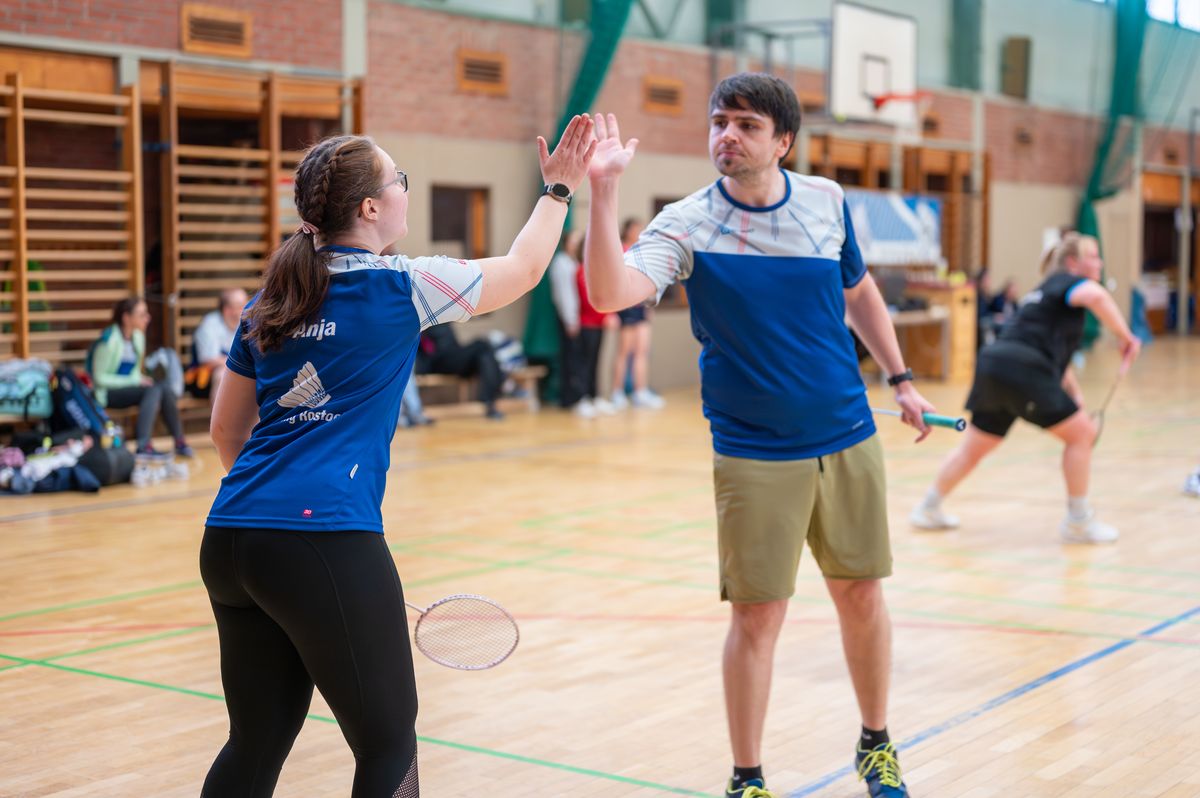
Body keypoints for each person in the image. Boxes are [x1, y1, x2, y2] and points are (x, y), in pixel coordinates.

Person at [201, 118, 595, 797]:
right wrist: (557, 190)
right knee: (388, 747)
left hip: (232, 537)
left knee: (256, 740)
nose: (406, 193)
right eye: (400, 181)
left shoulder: (268, 301)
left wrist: (280, 519)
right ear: (371, 209)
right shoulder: (403, 285)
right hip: (324, 535)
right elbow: (526, 268)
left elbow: (225, 434)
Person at [583, 73, 935, 798]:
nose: (727, 136)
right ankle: (747, 777)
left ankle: (876, 742)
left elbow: (858, 291)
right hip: (753, 449)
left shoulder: (826, 202)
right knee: (756, 617)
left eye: (746, 124)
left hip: (847, 432)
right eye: (719, 121)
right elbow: (610, 293)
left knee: (862, 596)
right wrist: (602, 193)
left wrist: (900, 379)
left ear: (783, 142)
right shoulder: (684, 222)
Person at [910, 232, 1141, 543]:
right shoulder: (1066, 283)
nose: (1099, 263)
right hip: (1022, 368)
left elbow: (1050, 351)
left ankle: (928, 507)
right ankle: (1078, 522)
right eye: (1093, 257)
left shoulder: (1043, 292)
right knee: (1082, 435)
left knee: (975, 447)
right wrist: (1126, 338)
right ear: (1074, 263)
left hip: (995, 365)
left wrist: (1072, 393)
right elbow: (1097, 297)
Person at [89, 296, 193, 458]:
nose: (148, 318)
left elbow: (134, 372)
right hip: (106, 394)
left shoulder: (138, 337)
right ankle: (144, 445)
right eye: (142, 314)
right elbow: (99, 379)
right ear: (126, 317)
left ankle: (179, 441)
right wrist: (135, 380)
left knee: (162, 387)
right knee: (153, 390)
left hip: (126, 389)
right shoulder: (108, 341)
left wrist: (140, 378)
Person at [610, 217, 665, 410]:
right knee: (624, 351)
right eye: (636, 228)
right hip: (627, 307)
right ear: (628, 230)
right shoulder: (622, 251)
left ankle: (639, 391)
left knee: (642, 350)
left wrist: (649, 305)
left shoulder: (641, 250)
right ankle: (616, 392)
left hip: (641, 307)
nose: (640, 232)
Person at [417, 323, 506, 419]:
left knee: (484, 354)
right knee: (482, 345)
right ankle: (498, 390)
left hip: (454, 358)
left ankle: (490, 401)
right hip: (440, 362)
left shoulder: (444, 319)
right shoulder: (423, 322)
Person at [189, 288, 249, 402]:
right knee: (222, 373)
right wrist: (242, 362)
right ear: (227, 310)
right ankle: (219, 420)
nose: (247, 308)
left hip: (237, 375)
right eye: (241, 305)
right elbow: (209, 360)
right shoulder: (210, 324)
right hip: (203, 380)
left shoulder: (247, 324)